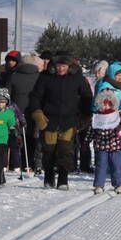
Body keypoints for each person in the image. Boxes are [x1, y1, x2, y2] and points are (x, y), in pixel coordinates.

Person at [29, 54, 89, 190]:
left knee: (65, 151)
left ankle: (63, 179)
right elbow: (35, 96)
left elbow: (87, 97)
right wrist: (37, 113)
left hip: (69, 121)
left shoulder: (78, 78)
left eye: (64, 66)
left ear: (69, 66)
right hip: (49, 121)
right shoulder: (45, 77)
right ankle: (49, 178)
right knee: (48, 151)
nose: (61, 69)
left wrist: (84, 118)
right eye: (58, 66)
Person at [89, 90, 121, 195]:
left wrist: (120, 132)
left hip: (115, 145)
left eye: (109, 103)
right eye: (104, 103)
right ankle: (99, 185)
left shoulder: (118, 114)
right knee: (101, 165)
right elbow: (91, 130)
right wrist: (86, 141)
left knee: (116, 165)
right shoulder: (97, 116)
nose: (106, 105)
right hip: (101, 145)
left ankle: (118, 184)